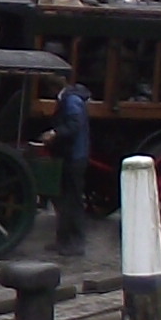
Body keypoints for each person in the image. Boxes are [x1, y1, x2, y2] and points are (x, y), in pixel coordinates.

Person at [50, 76, 93, 256]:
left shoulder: (71, 101)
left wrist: (55, 133)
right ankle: (63, 239)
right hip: (71, 155)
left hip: (74, 156)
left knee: (73, 200)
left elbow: (74, 125)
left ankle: (76, 243)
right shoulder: (68, 99)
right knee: (63, 199)